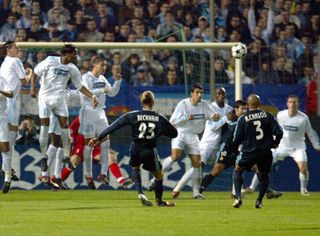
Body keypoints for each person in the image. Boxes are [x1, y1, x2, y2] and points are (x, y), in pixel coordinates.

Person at [89, 91, 178, 207]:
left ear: (141, 102)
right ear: (153, 102)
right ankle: (159, 201)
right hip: (150, 150)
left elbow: (113, 127)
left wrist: (99, 138)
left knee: (136, 166)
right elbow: (174, 134)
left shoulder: (132, 115)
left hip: (136, 148)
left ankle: (140, 192)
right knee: (159, 175)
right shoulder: (159, 118)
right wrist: (159, 131)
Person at [30, 44, 99, 175]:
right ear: (67, 53)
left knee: (65, 127)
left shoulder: (72, 68)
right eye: (74, 53)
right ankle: (44, 157)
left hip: (60, 100)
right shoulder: (50, 60)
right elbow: (35, 72)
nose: (76, 56)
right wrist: (33, 89)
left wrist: (92, 96)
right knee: (44, 127)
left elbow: (80, 86)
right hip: (45, 98)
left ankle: (67, 157)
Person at [199, 100, 283, 199]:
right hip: (226, 149)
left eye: (245, 109)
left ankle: (267, 191)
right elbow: (234, 131)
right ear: (236, 109)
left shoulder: (245, 119)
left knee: (255, 167)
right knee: (216, 171)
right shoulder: (231, 117)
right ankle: (198, 191)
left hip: (238, 150)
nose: (244, 111)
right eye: (242, 109)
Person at [155, 83, 217, 199]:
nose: (199, 95)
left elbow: (213, 115)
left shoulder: (204, 105)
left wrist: (215, 117)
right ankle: (156, 178)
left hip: (193, 136)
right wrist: (185, 118)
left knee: (197, 164)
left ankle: (196, 193)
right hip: (180, 133)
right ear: (192, 94)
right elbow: (172, 122)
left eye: (201, 93)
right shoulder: (183, 104)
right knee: (175, 157)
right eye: (197, 93)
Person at [169, 87, 233, 198]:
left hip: (221, 144)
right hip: (208, 143)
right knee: (197, 165)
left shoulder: (229, 109)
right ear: (214, 95)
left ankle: (235, 192)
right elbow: (213, 126)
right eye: (218, 94)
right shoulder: (210, 107)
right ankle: (177, 189)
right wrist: (225, 119)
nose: (221, 96)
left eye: (223, 94)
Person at [232, 94, 283, 209]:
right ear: (259, 104)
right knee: (264, 174)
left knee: (238, 169)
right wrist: (276, 142)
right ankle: (259, 201)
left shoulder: (243, 119)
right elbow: (279, 132)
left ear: (248, 105)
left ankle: (238, 197)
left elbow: (236, 139)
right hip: (265, 153)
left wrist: (237, 148)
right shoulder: (268, 115)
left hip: (249, 152)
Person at [79, 56, 122, 186]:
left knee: (105, 140)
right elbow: (85, 92)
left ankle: (103, 174)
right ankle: (88, 175)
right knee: (89, 144)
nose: (104, 67)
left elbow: (112, 93)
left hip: (100, 112)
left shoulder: (102, 79)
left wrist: (117, 82)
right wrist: (101, 90)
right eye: (102, 65)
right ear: (95, 65)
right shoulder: (86, 77)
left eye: (105, 65)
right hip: (88, 111)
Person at [61, 116, 132, 189]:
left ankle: (121, 181)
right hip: (81, 146)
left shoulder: (100, 118)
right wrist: (70, 149)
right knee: (73, 161)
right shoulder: (81, 117)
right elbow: (71, 132)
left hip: (94, 147)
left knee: (110, 157)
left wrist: (106, 148)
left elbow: (104, 135)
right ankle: (59, 182)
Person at [272, 95, 320, 196]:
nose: (292, 104)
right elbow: (275, 129)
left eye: (294, 102)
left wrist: (316, 145)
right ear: (287, 104)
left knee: (303, 168)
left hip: (298, 147)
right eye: (290, 102)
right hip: (282, 146)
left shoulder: (303, 118)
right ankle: (252, 187)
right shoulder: (281, 115)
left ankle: (303, 189)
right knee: (264, 165)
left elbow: (310, 133)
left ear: (298, 104)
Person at [0, 41, 31, 192]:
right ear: (8, 49)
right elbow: (24, 81)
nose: (17, 49)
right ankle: (7, 171)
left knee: (10, 137)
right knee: (10, 137)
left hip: (5, 101)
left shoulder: (4, 63)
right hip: (10, 102)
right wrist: (29, 74)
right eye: (15, 47)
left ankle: (7, 169)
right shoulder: (15, 60)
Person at [0, 75, 14, 193]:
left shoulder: (2, 79)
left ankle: (7, 178)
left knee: (5, 148)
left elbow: (11, 94)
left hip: (1, 118)